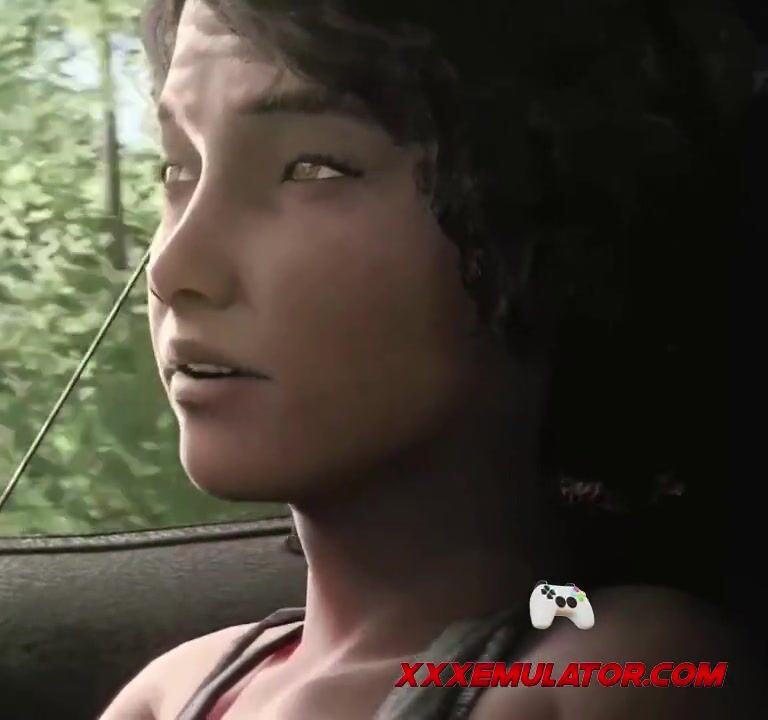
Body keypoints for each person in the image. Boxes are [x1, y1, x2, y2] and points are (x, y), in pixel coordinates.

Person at [100, 0, 762, 718]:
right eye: (177, 169)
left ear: (550, 216)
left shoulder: (612, 677)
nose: (173, 268)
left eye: (312, 169)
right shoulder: (171, 693)